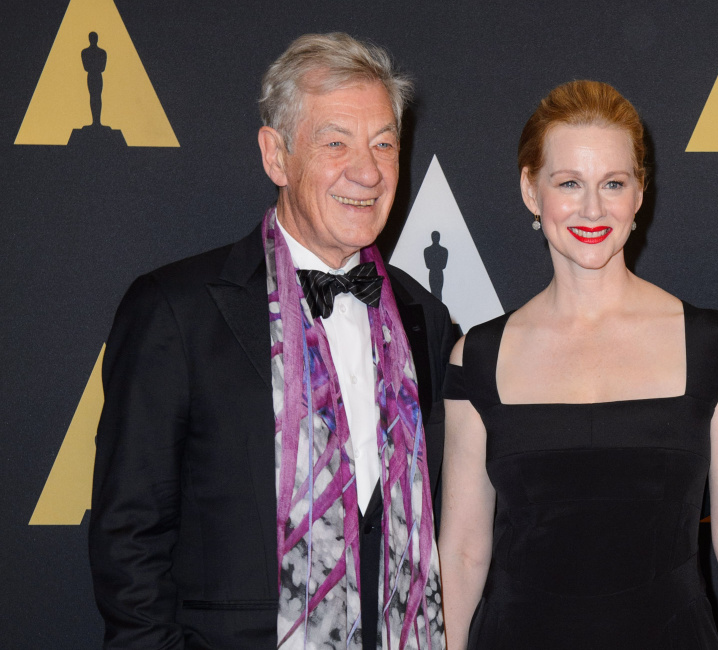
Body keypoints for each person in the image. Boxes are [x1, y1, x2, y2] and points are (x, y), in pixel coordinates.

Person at [89, 33, 454, 650]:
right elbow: (130, 538)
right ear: (276, 155)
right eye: (334, 142)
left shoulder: (423, 317)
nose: (366, 172)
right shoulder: (175, 312)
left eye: (383, 144)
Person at [438, 80, 718, 649]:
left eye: (613, 183)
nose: (592, 209)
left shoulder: (713, 345)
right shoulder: (479, 356)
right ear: (530, 190)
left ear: (639, 193)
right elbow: (464, 553)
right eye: (569, 183)